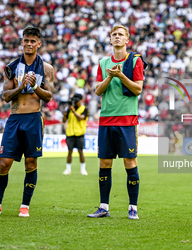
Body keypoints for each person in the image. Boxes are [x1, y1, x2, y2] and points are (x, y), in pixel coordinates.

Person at [0, 27, 54, 217]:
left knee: (31, 163)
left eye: (33, 41)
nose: (29, 44)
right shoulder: (11, 67)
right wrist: (21, 86)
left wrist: (35, 87)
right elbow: (6, 96)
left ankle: (25, 206)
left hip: (33, 118)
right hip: (14, 119)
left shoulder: (47, 68)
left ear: (39, 43)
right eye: (26, 40)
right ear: (22, 42)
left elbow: (48, 97)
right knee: (4, 163)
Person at [87, 25, 146, 219]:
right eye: (114, 35)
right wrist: (110, 77)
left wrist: (120, 75)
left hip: (127, 120)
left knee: (130, 163)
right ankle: (104, 207)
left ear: (127, 39)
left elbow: (138, 89)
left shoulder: (135, 61)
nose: (117, 37)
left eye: (121, 34)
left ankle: (133, 208)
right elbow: (97, 90)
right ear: (110, 39)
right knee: (105, 163)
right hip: (106, 120)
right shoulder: (103, 63)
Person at [62, 94, 89, 175]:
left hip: (79, 133)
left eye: (77, 101)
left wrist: (73, 111)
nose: (75, 102)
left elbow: (81, 118)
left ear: (81, 100)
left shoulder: (84, 109)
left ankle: (83, 169)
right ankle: (68, 169)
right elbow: (64, 120)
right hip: (70, 132)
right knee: (69, 151)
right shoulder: (69, 109)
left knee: (80, 151)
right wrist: (65, 114)